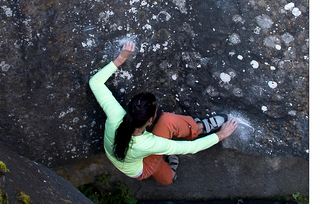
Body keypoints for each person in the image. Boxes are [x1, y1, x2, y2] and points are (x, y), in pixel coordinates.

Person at [89, 41, 239, 185]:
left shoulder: (115, 115)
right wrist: (221, 135)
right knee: (167, 122)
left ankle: (173, 165)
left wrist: (120, 59)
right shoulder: (150, 144)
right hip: (140, 169)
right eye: (155, 111)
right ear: (150, 120)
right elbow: (190, 148)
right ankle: (175, 168)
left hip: (118, 156)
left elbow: (95, 83)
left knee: (158, 151)